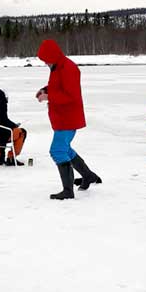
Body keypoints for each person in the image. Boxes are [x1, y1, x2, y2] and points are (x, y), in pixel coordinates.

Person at [35, 39, 101, 200]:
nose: (45, 64)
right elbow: (58, 87)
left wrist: (48, 97)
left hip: (68, 118)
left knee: (57, 151)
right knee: (65, 150)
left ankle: (68, 191)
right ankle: (88, 176)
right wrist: (45, 89)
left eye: (46, 60)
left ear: (52, 56)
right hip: (61, 118)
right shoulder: (57, 66)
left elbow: (70, 96)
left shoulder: (68, 68)